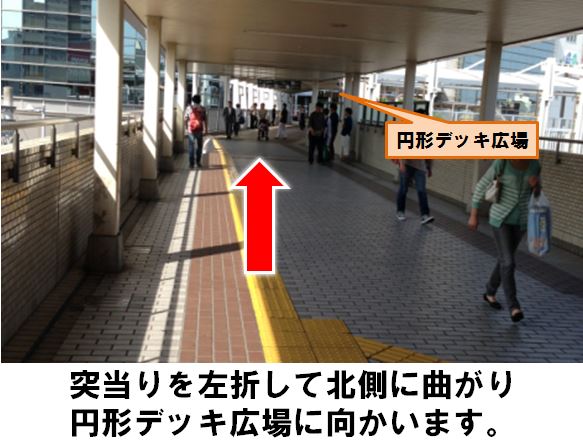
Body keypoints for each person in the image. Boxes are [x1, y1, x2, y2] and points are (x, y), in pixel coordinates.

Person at [469, 159, 541, 322]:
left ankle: (490, 291)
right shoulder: (502, 162)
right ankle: (514, 307)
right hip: (500, 219)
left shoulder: (535, 165)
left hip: (521, 223)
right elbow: (481, 186)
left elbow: (536, 195)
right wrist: (474, 215)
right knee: (508, 262)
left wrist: (535, 186)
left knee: (504, 260)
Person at [396, 159, 434, 225]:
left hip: (420, 167)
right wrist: (401, 163)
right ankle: (400, 211)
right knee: (403, 189)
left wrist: (429, 168)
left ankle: (425, 215)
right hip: (407, 164)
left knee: (421, 190)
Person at [184, 94, 207, 169]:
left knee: (191, 147)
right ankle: (198, 162)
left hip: (191, 130)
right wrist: (206, 129)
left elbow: (185, 119)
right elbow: (205, 119)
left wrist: (186, 128)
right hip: (199, 130)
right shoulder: (202, 108)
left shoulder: (189, 108)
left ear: (193, 100)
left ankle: (191, 164)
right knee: (199, 147)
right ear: (200, 100)